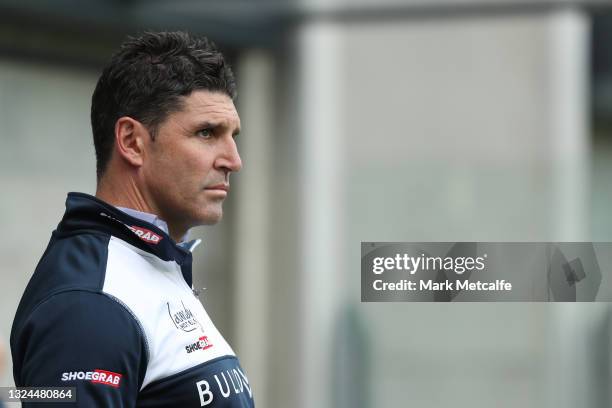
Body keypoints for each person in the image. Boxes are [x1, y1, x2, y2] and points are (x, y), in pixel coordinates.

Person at [10, 31, 254, 407]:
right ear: (131, 141)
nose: (233, 160)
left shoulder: (152, 263)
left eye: (232, 136)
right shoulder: (88, 303)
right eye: (207, 133)